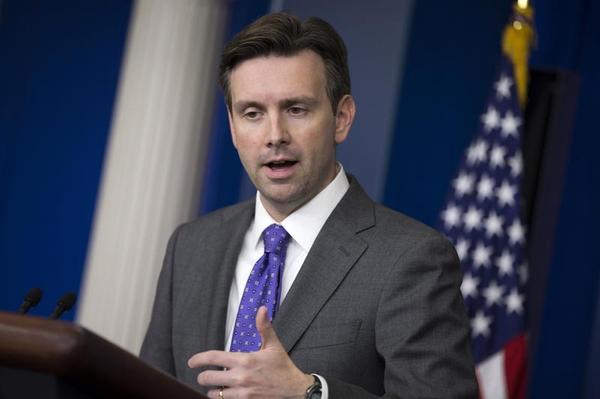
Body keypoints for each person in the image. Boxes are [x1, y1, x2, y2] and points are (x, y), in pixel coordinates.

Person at [140, 12, 477, 399]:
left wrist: (310, 393)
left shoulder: (412, 259)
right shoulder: (190, 245)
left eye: (296, 109)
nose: (274, 136)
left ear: (341, 118)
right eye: (252, 113)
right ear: (233, 128)